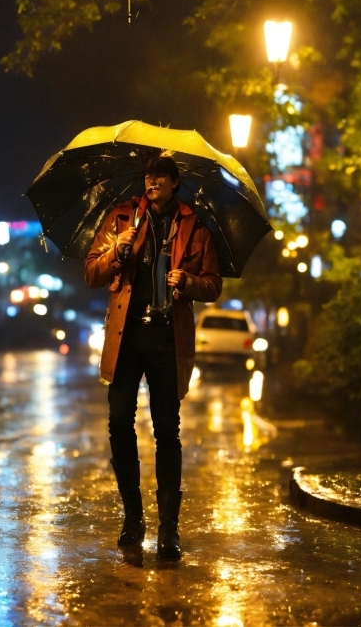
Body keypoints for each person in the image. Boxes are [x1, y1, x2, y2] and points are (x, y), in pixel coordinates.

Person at [85, 152, 222, 559]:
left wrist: (189, 281)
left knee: (167, 431)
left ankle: (168, 529)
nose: (152, 183)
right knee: (118, 422)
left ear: (174, 182)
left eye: (160, 177)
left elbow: (213, 285)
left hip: (166, 337)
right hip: (127, 339)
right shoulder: (121, 219)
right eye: (148, 177)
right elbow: (92, 273)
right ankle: (133, 518)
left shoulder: (194, 224)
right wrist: (117, 251)